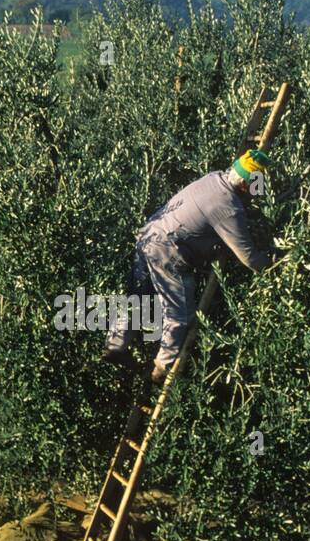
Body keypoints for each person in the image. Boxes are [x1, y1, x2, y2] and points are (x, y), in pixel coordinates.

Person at [103, 146, 272, 382]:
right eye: (256, 185)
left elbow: (223, 206)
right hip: (167, 250)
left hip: (149, 235)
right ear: (246, 184)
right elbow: (249, 257)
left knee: (138, 299)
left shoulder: (213, 178)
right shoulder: (227, 207)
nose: (256, 191)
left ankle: (115, 346)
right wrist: (274, 266)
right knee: (180, 314)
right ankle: (162, 370)